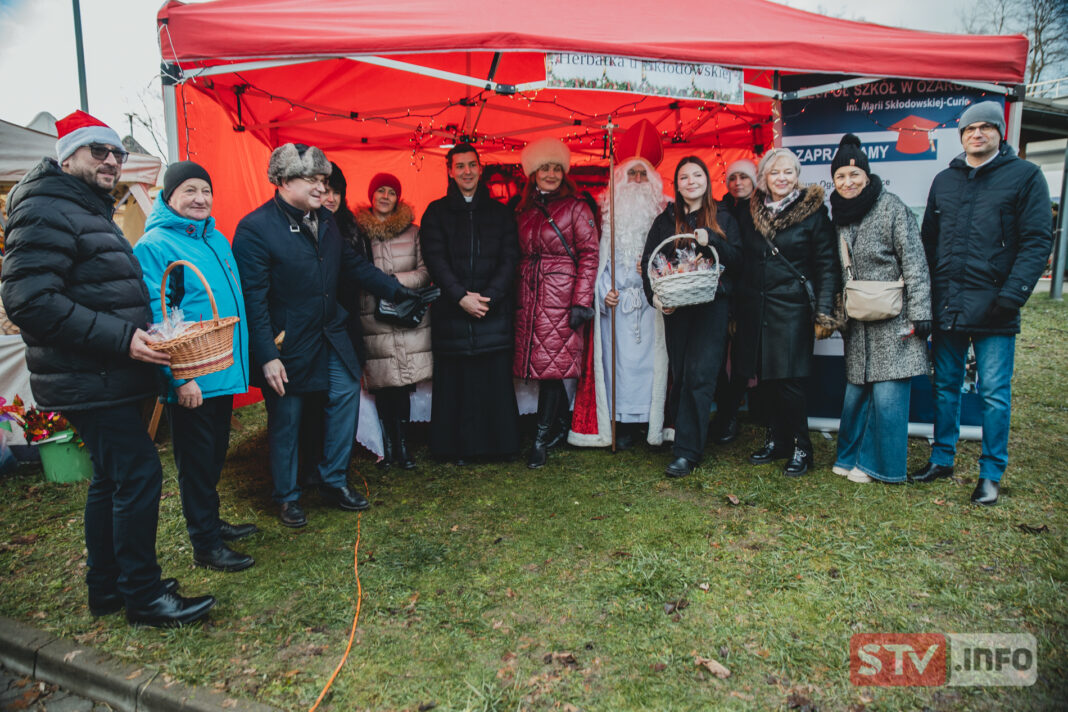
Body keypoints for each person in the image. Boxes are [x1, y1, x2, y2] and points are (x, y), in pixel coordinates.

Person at [1, 111, 215, 627]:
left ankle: (110, 587)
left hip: (104, 372)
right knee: (139, 474)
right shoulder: (47, 208)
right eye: (99, 152)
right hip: (89, 375)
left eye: (117, 152)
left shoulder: (85, 207)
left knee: (112, 480)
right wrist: (123, 338)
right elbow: (28, 300)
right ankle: (143, 597)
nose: (112, 161)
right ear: (67, 155)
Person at [232, 144, 416, 527]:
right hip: (287, 343)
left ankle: (334, 479)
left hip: (331, 334)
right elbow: (253, 300)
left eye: (323, 180)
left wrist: (400, 291)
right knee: (287, 418)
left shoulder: (327, 221)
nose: (321, 188)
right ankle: (287, 496)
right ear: (283, 182)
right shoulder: (254, 228)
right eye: (311, 180)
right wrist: (267, 355)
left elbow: (355, 268)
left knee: (346, 394)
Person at [912, 101, 1052, 505]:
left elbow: (1037, 241)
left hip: (996, 306)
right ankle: (942, 458)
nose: (977, 134)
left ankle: (991, 472)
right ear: (961, 135)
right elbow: (929, 242)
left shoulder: (1026, 177)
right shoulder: (945, 180)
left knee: (993, 393)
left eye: (986, 128)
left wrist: (1011, 296)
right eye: (970, 128)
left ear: (1000, 133)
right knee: (945, 388)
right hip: (949, 305)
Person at [134, 161, 258, 572]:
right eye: (189, 190)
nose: (200, 199)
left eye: (205, 190)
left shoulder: (216, 238)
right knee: (196, 459)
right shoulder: (155, 245)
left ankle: (212, 522)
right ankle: (205, 544)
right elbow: (156, 313)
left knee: (215, 452)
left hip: (221, 368)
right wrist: (180, 378)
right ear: (169, 197)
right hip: (192, 376)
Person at [827, 135, 931, 484]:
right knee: (855, 392)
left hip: (895, 315)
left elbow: (915, 261)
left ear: (867, 177)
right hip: (859, 317)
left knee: (888, 396)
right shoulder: (838, 215)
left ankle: (880, 467)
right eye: (840, 176)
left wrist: (921, 313)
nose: (847, 182)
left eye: (854, 176)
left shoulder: (891, 207)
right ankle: (849, 456)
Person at [738, 147, 839, 477]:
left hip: (793, 308)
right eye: (775, 172)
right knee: (766, 380)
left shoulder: (813, 213)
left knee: (789, 381)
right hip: (758, 307)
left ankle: (801, 448)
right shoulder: (750, 211)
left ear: (797, 176)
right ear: (764, 177)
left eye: (789, 172)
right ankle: (776, 440)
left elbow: (827, 265)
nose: (782, 178)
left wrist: (825, 312)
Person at [640, 156, 742, 477]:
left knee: (700, 376)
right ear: (677, 183)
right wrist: (656, 297)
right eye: (684, 177)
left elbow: (738, 260)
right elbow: (649, 263)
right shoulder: (665, 220)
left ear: (707, 180)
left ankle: (687, 453)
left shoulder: (723, 215)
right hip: (677, 307)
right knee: (682, 375)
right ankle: (685, 438)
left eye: (697, 175)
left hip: (712, 306)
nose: (691, 182)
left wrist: (712, 239)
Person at [420, 143, 521, 464]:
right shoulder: (435, 213)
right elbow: (435, 260)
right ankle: (456, 448)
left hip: (493, 311)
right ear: (450, 170)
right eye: (460, 166)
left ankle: (499, 446)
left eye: (472, 165)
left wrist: (488, 298)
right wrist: (461, 297)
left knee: (493, 380)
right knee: (456, 384)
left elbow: (510, 259)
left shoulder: (501, 213)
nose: (467, 171)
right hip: (453, 311)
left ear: (480, 168)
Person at [569, 151, 669, 450]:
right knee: (619, 367)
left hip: (651, 306)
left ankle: (648, 423)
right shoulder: (605, 216)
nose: (637, 181)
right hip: (617, 307)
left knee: (650, 367)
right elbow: (594, 262)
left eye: (643, 174)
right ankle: (620, 423)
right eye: (631, 174)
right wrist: (603, 292)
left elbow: (675, 257)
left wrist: (655, 270)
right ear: (620, 181)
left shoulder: (664, 216)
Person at [513, 137, 599, 468]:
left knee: (552, 370)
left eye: (556, 168)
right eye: (544, 168)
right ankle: (559, 425)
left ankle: (541, 438)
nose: (550, 174)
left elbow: (590, 254)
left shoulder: (577, 207)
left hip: (561, 297)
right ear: (532, 173)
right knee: (543, 366)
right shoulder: (523, 210)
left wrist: (580, 301)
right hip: (530, 295)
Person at [354, 172, 432, 469]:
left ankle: (403, 445)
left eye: (391, 192)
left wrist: (393, 282)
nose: (385, 196)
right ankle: (387, 444)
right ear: (371, 195)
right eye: (380, 191)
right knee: (383, 385)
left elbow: (425, 272)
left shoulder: (413, 232)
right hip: (373, 318)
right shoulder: (359, 233)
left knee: (403, 384)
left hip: (405, 315)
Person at [709, 159, 759, 444]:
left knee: (742, 360)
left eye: (744, 177)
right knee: (716, 358)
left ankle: (730, 416)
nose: (738, 182)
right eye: (733, 178)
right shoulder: (719, 210)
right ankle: (725, 412)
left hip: (750, 294)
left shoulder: (761, 210)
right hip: (724, 291)